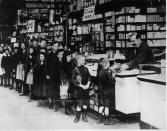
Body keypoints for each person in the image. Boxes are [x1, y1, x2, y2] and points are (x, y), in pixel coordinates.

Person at [97, 58, 117, 125]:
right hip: (107, 92)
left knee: (102, 105)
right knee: (107, 106)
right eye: (108, 63)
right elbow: (112, 82)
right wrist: (113, 76)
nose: (109, 64)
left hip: (102, 91)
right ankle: (107, 120)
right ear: (106, 64)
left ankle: (99, 118)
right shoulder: (106, 72)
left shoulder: (101, 71)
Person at [72, 55, 91, 123]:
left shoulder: (86, 68)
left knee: (85, 103)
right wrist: (82, 86)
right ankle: (77, 116)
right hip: (80, 89)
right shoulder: (76, 70)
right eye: (83, 60)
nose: (84, 61)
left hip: (86, 89)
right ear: (78, 60)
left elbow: (89, 77)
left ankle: (84, 115)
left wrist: (88, 84)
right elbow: (75, 80)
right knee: (79, 103)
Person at [46, 42, 61, 111]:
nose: (56, 47)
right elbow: (47, 65)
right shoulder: (49, 55)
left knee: (57, 90)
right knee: (51, 89)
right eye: (55, 45)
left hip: (57, 75)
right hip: (51, 75)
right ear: (52, 46)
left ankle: (57, 104)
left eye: (57, 46)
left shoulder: (60, 54)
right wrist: (47, 74)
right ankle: (52, 102)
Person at [62, 51, 76, 115]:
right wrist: (66, 81)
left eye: (70, 56)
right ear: (65, 57)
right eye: (68, 56)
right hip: (66, 81)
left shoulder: (72, 63)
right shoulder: (63, 64)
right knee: (67, 96)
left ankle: (71, 107)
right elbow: (62, 74)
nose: (69, 57)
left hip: (72, 81)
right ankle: (66, 109)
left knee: (71, 95)